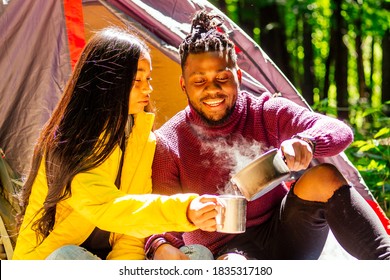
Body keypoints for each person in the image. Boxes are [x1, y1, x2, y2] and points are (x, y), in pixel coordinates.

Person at [145, 11, 390, 260]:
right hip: (226, 251)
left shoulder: (263, 112)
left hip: (286, 230)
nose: (213, 90)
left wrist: (307, 142)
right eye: (199, 82)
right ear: (183, 85)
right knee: (233, 264)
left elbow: (340, 131)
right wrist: (160, 245)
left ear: (238, 77)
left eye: (222, 78)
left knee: (324, 176)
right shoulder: (169, 142)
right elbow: (161, 220)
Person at [12, 26, 220, 260]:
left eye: (148, 78)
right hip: (56, 260)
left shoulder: (141, 137)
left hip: (108, 261)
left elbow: (130, 236)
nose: (148, 88)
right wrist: (185, 210)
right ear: (106, 82)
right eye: (136, 80)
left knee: (198, 255)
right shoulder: (72, 141)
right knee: (68, 256)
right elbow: (109, 207)